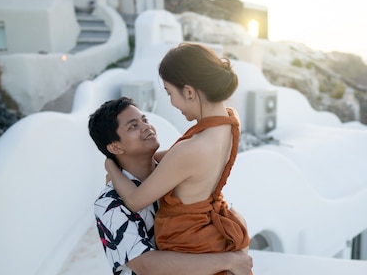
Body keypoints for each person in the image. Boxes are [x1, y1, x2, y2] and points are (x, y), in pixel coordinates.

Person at [104, 43, 251, 269]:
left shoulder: (192, 149)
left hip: (186, 239)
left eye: (170, 93)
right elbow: (174, 162)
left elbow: (134, 201)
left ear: (190, 92)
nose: (172, 103)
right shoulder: (231, 121)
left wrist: (111, 166)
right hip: (209, 227)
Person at [89, 97, 253, 275]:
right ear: (115, 148)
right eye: (133, 126)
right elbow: (145, 264)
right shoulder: (109, 203)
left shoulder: (173, 171)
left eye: (145, 120)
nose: (146, 127)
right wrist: (229, 261)